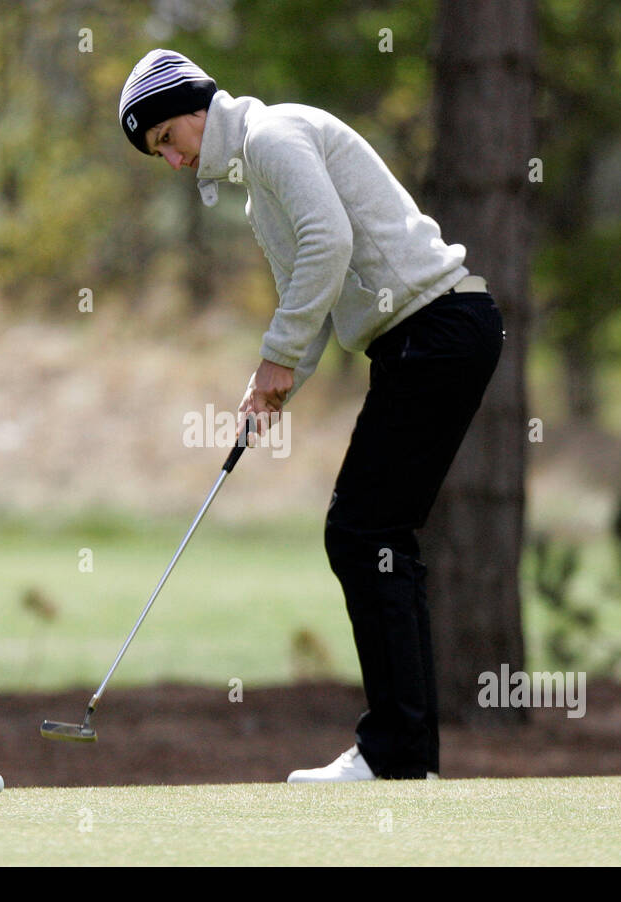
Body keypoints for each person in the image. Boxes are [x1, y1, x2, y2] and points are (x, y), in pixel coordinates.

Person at [119, 49, 504, 782]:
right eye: (158, 153)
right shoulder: (262, 183)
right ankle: (404, 753)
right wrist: (275, 385)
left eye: (168, 138)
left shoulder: (273, 137)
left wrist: (276, 353)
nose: (171, 161)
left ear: (199, 109)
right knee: (374, 533)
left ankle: (397, 754)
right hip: (432, 336)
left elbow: (331, 244)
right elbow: (318, 287)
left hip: (438, 330)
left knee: (365, 532)